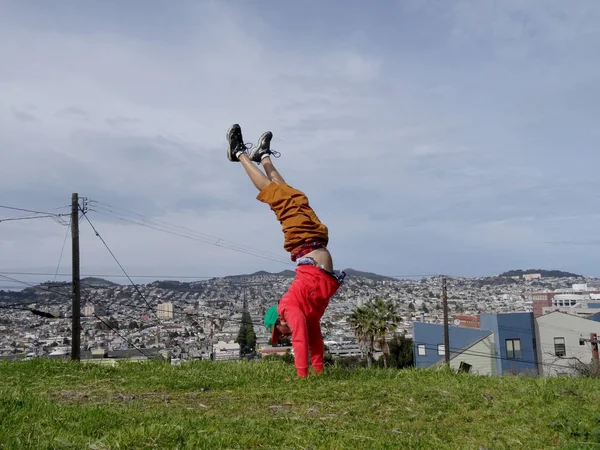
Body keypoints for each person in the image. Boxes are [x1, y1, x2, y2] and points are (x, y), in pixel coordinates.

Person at [226, 124, 345, 377]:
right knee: (294, 196)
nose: (283, 335)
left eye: (279, 332)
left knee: (276, 196)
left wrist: (302, 376)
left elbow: (300, 340)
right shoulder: (304, 314)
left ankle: (238, 154)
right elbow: (314, 341)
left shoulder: (289, 308)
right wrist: (318, 372)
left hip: (303, 241)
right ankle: (263, 157)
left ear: (280, 323)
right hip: (316, 238)